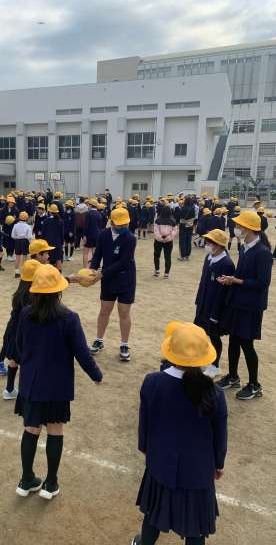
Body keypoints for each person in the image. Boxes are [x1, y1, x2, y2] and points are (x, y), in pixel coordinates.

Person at [132, 321, 227, 545]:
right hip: (198, 470)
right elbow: (220, 435)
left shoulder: (152, 382)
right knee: (195, 526)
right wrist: (218, 464)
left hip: (161, 462)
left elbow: (145, 421)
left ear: (170, 353)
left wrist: (145, 447)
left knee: (153, 513)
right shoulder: (215, 394)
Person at [14, 264, 103, 499]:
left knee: (31, 429)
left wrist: (29, 363)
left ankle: (26, 480)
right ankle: (50, 483)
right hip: (57, 384)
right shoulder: (69, 318)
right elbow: (82, 353)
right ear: (59, 291)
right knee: (55, 430)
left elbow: (19, 345)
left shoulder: (26, 314)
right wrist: (96, 375)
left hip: (31, 383)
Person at [217, 211, 273, 400]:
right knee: (234, 340)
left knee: (246, 343)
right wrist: (231, 279)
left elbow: (262, 283)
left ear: (249, 229)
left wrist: (237, 281)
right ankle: (233, 376)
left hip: (251, 306)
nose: (236, 228)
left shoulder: (263, 253)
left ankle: (255, 384)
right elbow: (242, 274)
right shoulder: (244, 248)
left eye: (239, 226)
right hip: (238, 301)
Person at [89, 207, 136, 361]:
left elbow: (124, 262)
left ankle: (124, 344)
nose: (123, 227)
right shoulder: (103, 235)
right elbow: (97, 255)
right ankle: (99, 340)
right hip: (108, 279)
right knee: (104, 310)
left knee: (124, 312)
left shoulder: (130, 238)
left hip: (125, 278)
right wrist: (92, 269)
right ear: (112, 222)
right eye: (120, 224)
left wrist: (102, 273)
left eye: (125, 224)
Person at [194, 229, 235, 378]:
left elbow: (224, 292)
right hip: (203, 304)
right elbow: (203, 281)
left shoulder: (227, 263)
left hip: (215, 308)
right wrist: (198, 300)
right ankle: (203, 360)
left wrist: (216, 314)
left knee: (214, 336)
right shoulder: (209, 257)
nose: (206, 244)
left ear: (218, 245)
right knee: (200, 333)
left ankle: (215, 365)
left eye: (209, 242)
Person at [0, 259, 42, 399]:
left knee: (14, 360)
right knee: (28, 362)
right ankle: (27, 391)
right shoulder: (33, 296)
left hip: (13, 331)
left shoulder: (20, 292)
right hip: (26, 334)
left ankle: (9, 390)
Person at [153, 206, 177, 278]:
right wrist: (168, 238)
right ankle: (166, 273)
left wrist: (160, 238)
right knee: (167, 257)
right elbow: (174, 231)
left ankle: (157, 270)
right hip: (168, 241)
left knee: (157, 256)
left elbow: (156, 230)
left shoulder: (158, 220)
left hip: (158, 241)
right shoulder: (173, 220)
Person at [42, 204, 64, 271]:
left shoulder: (46, 221)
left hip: (48, 243)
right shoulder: (60, 221)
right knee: (58, 259)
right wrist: (61, 243)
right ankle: (59, 275)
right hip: (57, 243)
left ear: (50, 212)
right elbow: (62, 234)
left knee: (47, 259)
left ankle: (46, 274)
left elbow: (43, 233)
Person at [11, 211, 32, 277]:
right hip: (25, 241)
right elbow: (29, 237)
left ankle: (17, 272)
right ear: (26, 218)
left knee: (17, 257)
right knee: (24, 257)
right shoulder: (28, 226)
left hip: (17, 241)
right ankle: (23, 272)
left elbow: (12, 235)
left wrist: (17, 237)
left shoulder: (15, 225)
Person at [83, 198, 102, 268]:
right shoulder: (99, 214)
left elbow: (86, 225)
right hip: (97, 235)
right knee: (94, 252)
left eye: (88, 204)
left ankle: (85, 268)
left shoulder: (88, 213)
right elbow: (100, 226)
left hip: (88, 235)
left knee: (85, 253)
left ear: (91, 205)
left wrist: (84, 235)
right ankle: (94, 267)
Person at [178, 196, 196, 261]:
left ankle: (183, 256)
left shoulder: (184, 208)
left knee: (182, 241)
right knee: (188, 240)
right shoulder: (193, 208)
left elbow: (180, 216)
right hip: (190, 226)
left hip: (183, 225)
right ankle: (187, 255)